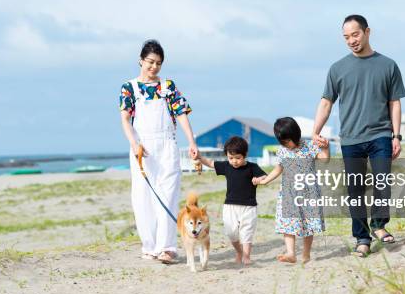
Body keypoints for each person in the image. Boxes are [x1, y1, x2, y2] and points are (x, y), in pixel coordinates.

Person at [312, 15, 405, 257]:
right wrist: (315, 131)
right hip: (351, 138)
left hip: (381, 135)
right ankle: (362, 238)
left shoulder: (388, 65)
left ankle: (378, 224)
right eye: (346, 37)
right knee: (355, 190)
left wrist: (397, 136)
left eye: (355, 35)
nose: (351, 41)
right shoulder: (337, 69)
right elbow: (326, 103)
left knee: (382, 181)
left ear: (367, 32)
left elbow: (394, 103)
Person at [119, 40, 198, 264]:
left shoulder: (168, 86)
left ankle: (167, 248)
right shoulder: (129, 88)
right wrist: (135, 144)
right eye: (150, 62)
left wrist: (191, 141)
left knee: (169, 194)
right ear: (141, 60)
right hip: (142, 147)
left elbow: (181, 113)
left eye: (159, 64)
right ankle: (149, 246)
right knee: (142, 197)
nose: (154, 67)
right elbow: (125, 119)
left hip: (167, 145)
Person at [254, 117, 329, 264]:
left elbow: (325, 159)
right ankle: (290, 253)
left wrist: (325, 148)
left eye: (287, 141)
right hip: (288, 193)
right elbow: (278, 169)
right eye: (282, 142)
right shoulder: (282, 151)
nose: (286, 145)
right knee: (288, 223)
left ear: (296, 135)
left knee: (309, 225)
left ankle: (306, 254)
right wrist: (265, 180)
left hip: (309, 192)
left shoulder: (309, 146)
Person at [196, 136, 266, 265]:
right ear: (227, 156)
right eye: (231, 158)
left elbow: (264, 176)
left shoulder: (252, 167)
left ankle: (246, 256)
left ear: (245, 155)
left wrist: (259, 180)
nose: (234, 161)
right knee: (231, 233)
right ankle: (239, 251)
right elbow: (211, 163)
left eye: (238, 158)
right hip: (230, 206)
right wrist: (199, 157)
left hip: (249, 206)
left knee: (246, 232)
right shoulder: (227, 166)